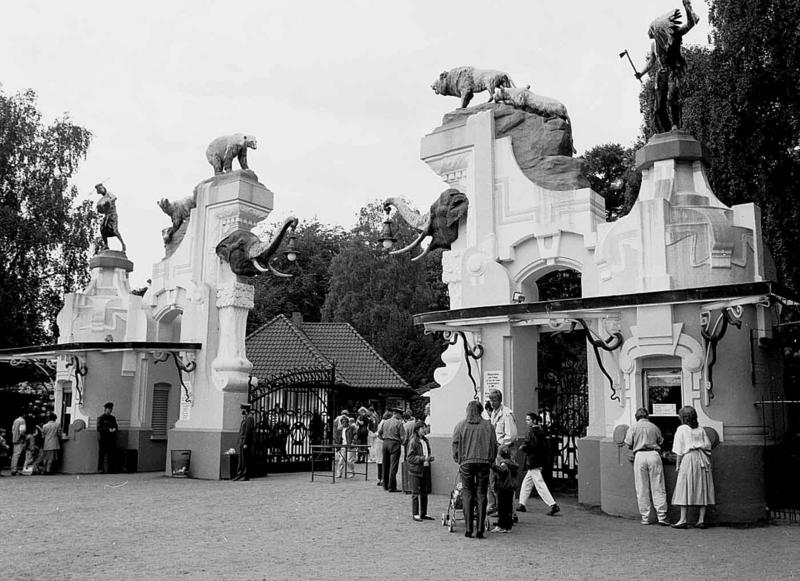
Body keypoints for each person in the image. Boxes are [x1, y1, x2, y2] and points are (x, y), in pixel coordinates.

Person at [635, 0, 699, 133]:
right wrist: (641, 73)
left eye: (652, 30)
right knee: (658, 106)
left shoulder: (674, 35)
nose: (650, 33)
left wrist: (687, 8)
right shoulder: (654, 45)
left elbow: (690, 24)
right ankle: (665, 130)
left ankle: (675, 125)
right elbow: (651, 61)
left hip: (673, 71)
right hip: (661, 74)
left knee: (672, 97)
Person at [452, 400, 497, 539]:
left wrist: (458, 459)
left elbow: (455, 444)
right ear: (481, 410)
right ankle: (480, 530)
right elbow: (494, 446)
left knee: (467, 493)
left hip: (466, 462)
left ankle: (468, 528)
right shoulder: (488, 426)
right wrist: (490, 460)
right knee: (482, 493)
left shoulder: (460, 425)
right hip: (483, 462)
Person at [623, 408, 669, 525]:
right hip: (654, 455)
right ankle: (662, 516)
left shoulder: (633, 427)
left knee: (641, 487)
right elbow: (660, 441)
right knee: (658, 485)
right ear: (647, 416)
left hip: (639, 455)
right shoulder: (654, 427)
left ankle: (645, 517)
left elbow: (628, 444)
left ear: (636, 417)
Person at [671, 405, 714, 529]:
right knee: (703, 487)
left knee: (684, 486)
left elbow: (679, 450)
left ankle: (683, 519)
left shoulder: (682, 429)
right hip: (702, 458)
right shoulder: (700, 429)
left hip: (689, 458)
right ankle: (701, 520)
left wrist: (678, 465)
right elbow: (708, 445)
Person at [518, 412, 560, 516]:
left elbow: (532, 446)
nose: (526, 421)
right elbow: (542, 447)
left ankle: (553, 504)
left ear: (534, 421)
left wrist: (524, 447)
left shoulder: (532, 432)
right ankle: (522, 504)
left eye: (528, 420)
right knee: (527, 482)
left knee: (539, 484)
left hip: (533, 461)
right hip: (537, 461)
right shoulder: (540, 431)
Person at [485, 389, 517, 516]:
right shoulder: (494, 413)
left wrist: (502, 445)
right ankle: (498, 507)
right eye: (490, 400)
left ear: (500, 400)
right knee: (494, 480)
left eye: (494, 400)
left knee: (505, 482)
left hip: (505, 450)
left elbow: (511, 435)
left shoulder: (506, 414)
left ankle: (510, 512)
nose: (492, 403)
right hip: (496, 448)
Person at [406, 421, 435, 522]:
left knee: (424, 492)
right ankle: (415, 513)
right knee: (415, 492)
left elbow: (428, 451)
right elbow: (409, 457)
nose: (425, 430)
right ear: (417, 430)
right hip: (416, 470)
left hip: (425, 468)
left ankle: (424, 512)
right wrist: (422, 458)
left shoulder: (425, 440)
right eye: (423, 428)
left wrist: (429, 458)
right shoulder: (413, 441)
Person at [491, 445, 519, 533]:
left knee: (502, 507)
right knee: (508, 507)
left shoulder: (504, 463)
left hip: (503, 487)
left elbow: (501, 471)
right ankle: (508, 525)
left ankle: (501, 525)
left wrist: (493, 467)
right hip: (510, 488)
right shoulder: (512, 463)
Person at [378, 408, 405, 492]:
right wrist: (400, 442)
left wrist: (384, 439)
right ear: (397, 414)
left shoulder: (385, 422)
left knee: (385, 464)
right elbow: (402, 437)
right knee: (393, 466)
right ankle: (391, 486)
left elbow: (379, 433)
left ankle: (385, 485)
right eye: (400, 415)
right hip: (394, 444)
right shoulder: (399, 423)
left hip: (385, 443)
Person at [94, 183, 127, 252]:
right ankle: (106, 245)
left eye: (101, 189)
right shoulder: (101, 199)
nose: (101, 191)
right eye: (99, 190)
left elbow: (114, 198)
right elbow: (100, 209)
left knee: (114, 230)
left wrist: (106, 201)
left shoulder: (108, 194)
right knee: (102, 229)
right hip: (106, 215)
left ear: (103, 188)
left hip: (112, 215)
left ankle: (123, 245)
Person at [233, 403, 255, 481]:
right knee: (241, 459)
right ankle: (240, 473)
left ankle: (246, 475)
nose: (241, 410)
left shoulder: (249, 417)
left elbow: (248, 431)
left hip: (246, 441)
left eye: (242, 409)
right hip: (242, 441)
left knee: (245, 459)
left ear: (245, 409)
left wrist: (245, 442)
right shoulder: (245, 417)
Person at [97, 402, 118, 474]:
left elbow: (116, 426)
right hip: (103, 439)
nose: (110, 410)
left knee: (111, 455)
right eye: (109, 409)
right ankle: (100, 469)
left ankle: (111, 469)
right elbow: (99, 428)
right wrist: (108, 430)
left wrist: (114, 429)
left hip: (111, 439)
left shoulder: (113, 418)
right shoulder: (101, 418)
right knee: (102, 455)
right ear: (105, 409)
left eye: (111, 409)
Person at [374, 411, 391, 486]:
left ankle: (380, 478)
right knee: (383, 461)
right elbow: (380, 434)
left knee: (380, 462)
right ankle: (383, 479)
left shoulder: (382, 422)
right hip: (382, 443)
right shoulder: (385, 423)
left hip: (379, 443)